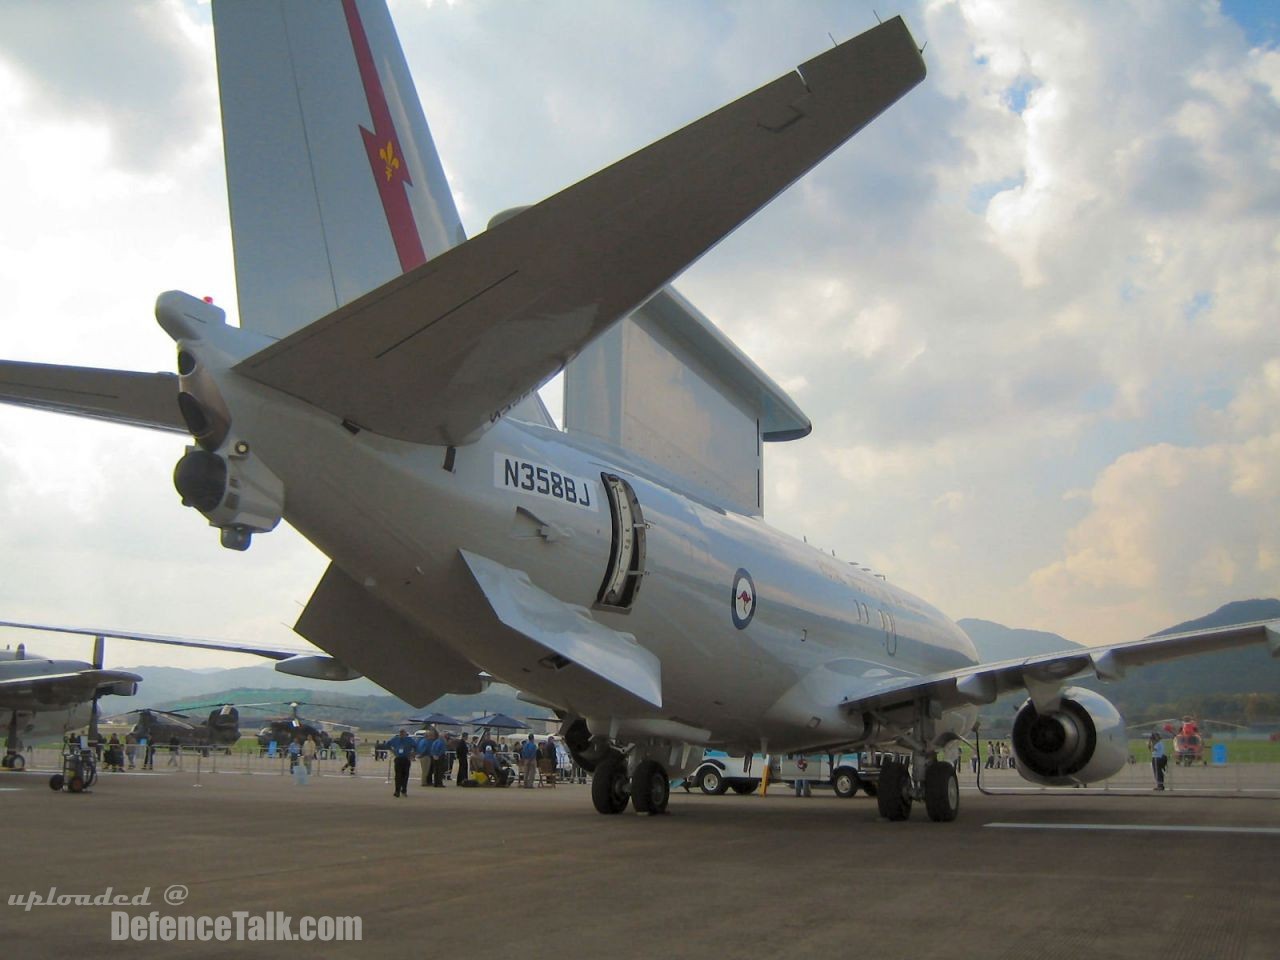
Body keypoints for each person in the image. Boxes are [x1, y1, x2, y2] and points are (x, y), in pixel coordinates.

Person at [387, 728, 415, 797]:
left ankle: (404, 790)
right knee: (398, 775)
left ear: (405, 733)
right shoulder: (395, 739)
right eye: (400, 733)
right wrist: (393, 751)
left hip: (406, 759)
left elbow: (416, 746)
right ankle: (397, 791)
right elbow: (387, 744)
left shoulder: (409, 740)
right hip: (398, 759)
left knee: (405, 776)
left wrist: (412, 754)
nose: (402, 734)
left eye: (403, 733)